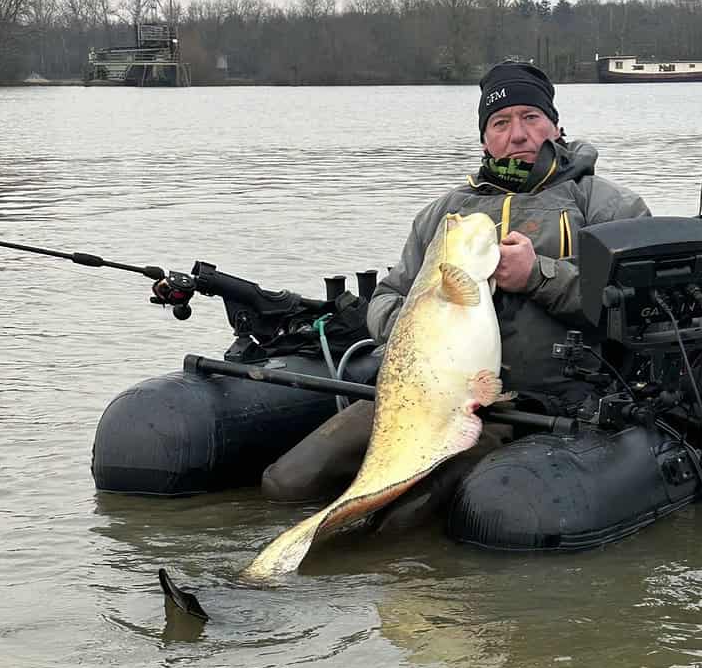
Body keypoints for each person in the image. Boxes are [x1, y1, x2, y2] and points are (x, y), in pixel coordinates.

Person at [262, 61, 650, 515]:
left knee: (405, 519)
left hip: (541, 407)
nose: (518, 134)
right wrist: (415, 319)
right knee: (286, 483)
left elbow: (636, 307)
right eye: (500, 123)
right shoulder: (442, 215)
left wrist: (537, 276)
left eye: (531, 117)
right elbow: (387, 295)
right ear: (485, 138)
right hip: (426, 397)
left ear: (556, 126)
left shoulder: (607, 204)